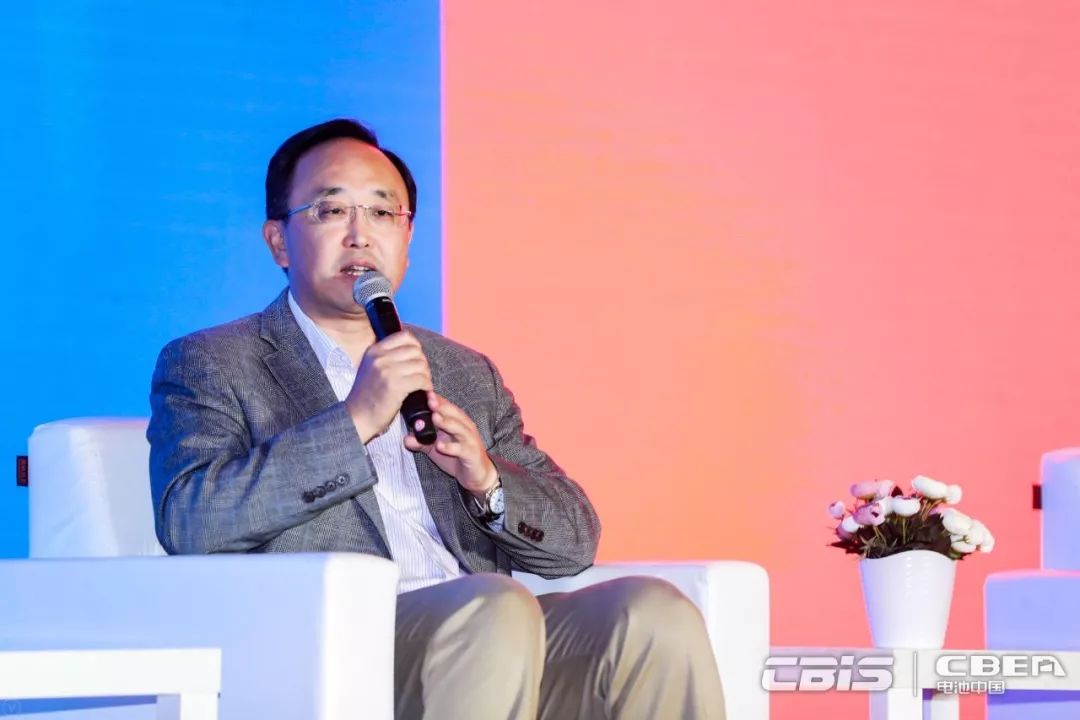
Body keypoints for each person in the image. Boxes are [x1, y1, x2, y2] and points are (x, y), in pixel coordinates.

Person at [147, 118, 725, 719]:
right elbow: (192, 522)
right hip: (332, 652)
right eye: (331, 211)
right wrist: (355, 421)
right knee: (493, 609)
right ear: (279, 242)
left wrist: (485, 481)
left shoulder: (461, 370)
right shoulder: (215, 361)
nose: (359, 235)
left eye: (382, 212)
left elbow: (575, 545)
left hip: (491, 640)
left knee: (653, 615)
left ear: (407, 237)